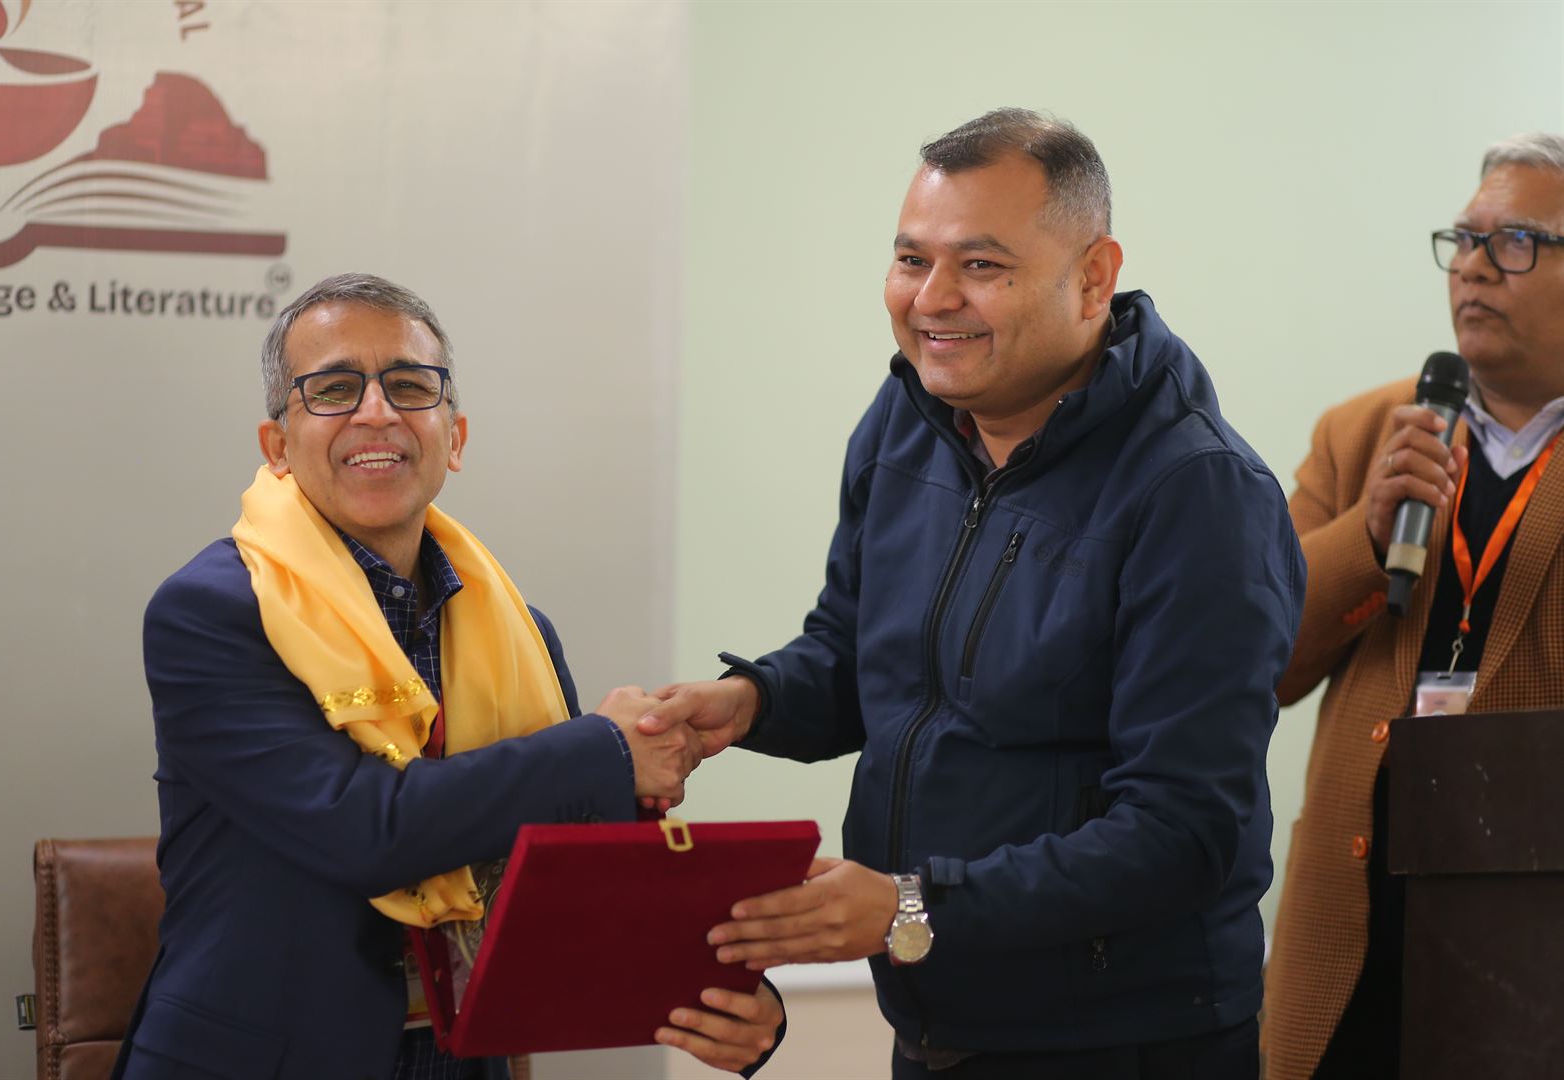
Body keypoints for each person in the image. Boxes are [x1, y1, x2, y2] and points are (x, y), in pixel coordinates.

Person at [639, 108, 1304, 1078]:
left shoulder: (1196, 492)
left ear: (1093, 276)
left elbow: (1181, 832)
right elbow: (857, 654)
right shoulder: (907, 419)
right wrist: (749, 702)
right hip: (934, 1019)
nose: (931, 299)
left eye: (980, 265)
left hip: (1121, 1043)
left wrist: (910, 905)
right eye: (910, 260)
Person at [113, 273, 782, 1080]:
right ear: (278, 447)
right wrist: (605, 751)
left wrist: (729, 995)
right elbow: (362, 831)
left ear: (454, 437)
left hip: (461, 1057)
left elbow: (571, 878)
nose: (376, 412)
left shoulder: (523, 633)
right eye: (333, 389)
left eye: (408, 386)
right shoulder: (213, 612)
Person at [1261, 133, 1564, 1080]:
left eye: (1514, 241)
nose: (1472, 266)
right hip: (1358, 912)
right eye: (1462, 240)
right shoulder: (1363, 433)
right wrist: (1364, 532)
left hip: (1535, 927)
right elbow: (1259, 661)